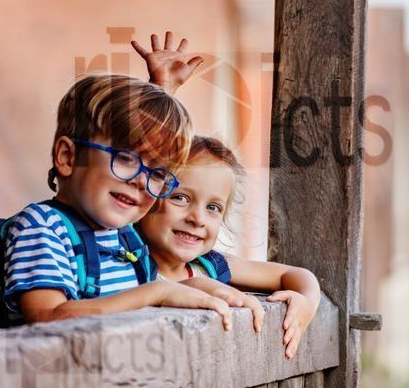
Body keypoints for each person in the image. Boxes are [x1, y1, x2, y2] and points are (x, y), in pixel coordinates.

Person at [1, 72, 234, 328]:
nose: (140, 181)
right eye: (125, 159)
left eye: (157, 173)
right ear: (68, 157)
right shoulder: (43, 227)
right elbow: (48, 316)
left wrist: (199, 286)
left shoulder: (125, 237)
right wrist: (156, 293)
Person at [138, 135, 322, 359]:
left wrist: (307, 302)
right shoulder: (128, 266)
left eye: (213, 207)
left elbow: (292, 274)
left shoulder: (210, 266)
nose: (198, 218)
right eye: (181, 198)